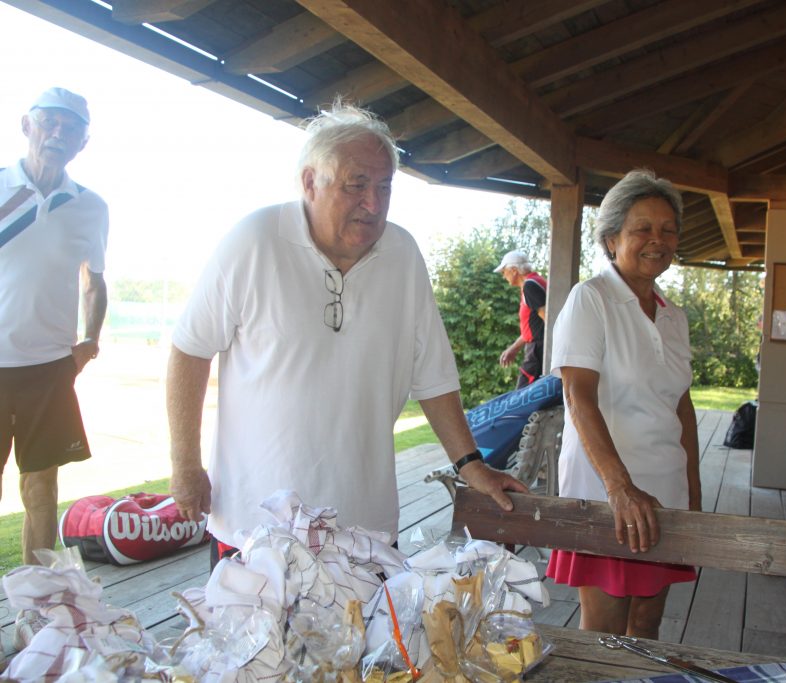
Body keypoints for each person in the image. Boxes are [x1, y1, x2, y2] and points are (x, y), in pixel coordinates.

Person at [167, 101, 526, 566]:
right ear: (309, 182)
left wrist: (470, 465)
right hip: (256, 529)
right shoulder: (254, 241)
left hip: (365, 528)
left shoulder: (403, 255)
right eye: (356, 184)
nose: (373, 203)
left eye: (384, 186)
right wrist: (185, 464)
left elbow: (433, 377)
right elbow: (190, 351)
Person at [545, 169, 702, 639]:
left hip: (665, 492)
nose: (658, 240)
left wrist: (693, 492)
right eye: (643, 229)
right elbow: (578, 397)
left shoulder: (674, 317)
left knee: (647, 627)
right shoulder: (590, 299)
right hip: (607, 495)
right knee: (605, 635)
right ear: (611, 239)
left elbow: (681, 407)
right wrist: (619, 488)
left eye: (668, 230)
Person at [0, 88, 107, 566]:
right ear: (27, 125)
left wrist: (90, 342)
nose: (59, 133)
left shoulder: (91, 206)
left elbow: (94, 281)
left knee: (42, 487)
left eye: (72, 128)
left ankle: (37, 596)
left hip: (48, 370)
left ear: (83, 142)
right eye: (50, 122)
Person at [495, 250, 547, 388]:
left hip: (538, 352)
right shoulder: (535, 282)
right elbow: (534, 327)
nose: (503, 276)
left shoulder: (530, 286)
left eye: (504, 271)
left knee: (523, 395)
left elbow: (549, 320)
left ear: (514, 270)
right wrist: (513, 348)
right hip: (537, 349)